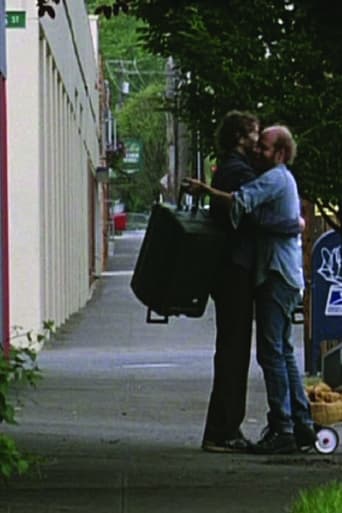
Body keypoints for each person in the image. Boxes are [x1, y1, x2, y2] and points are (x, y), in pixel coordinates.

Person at [185, 125, 316, 455]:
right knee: (282, 351)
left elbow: (241, 204)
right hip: (282, 275)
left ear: (281, 153)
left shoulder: (272, 178)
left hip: (275, 275)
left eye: (266, 145)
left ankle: (285, 427)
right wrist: (293, 225)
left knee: (271, 352)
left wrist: (204, 189)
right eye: (256, 140)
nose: (259, 148)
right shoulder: (275, 177)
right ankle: (299, 422)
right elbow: (258, 215)